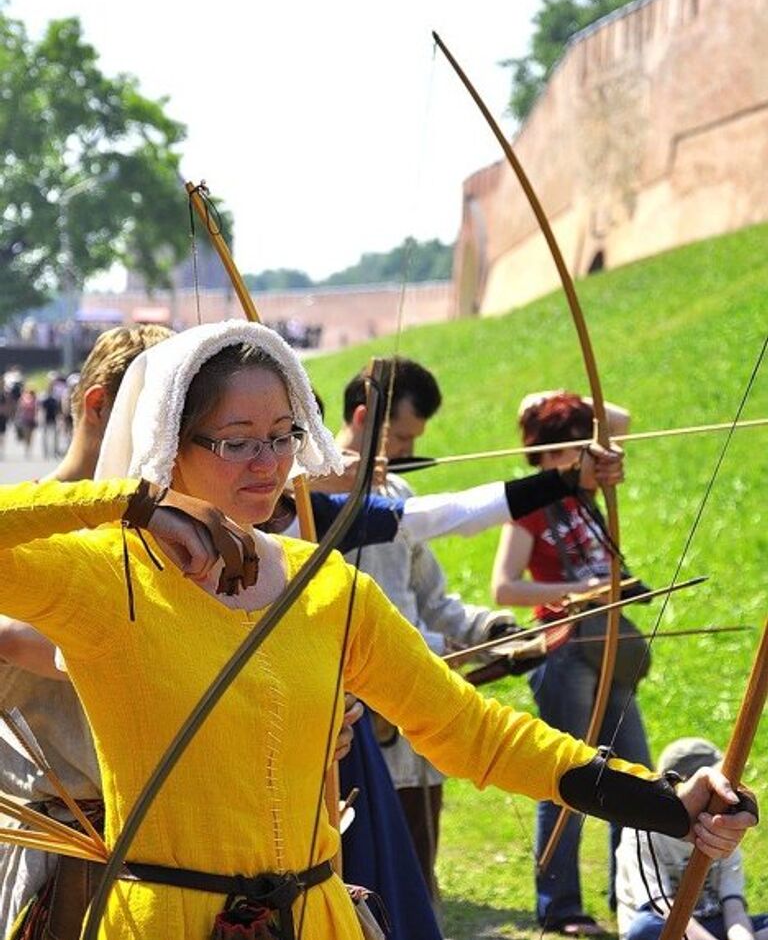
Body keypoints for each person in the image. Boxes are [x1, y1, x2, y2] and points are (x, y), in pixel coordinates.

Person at [0, 321, 754, 940]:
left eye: (282, 434)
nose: (268, 464)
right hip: (163, 923)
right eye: (235, 441)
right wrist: (131, 504)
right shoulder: (107, 574)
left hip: (318, 919)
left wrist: (664, 800)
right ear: (171, 444)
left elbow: (468, 729)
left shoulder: (325, 583)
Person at [330, 361, 618, 905]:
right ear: (365, 418)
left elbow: (433, 598)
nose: (406, 447)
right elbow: (345, 630)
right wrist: (444, 650)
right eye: (400, 435)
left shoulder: (397, 489)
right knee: (370, 884)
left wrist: (493, 628)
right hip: (358, 729)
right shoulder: (304, 509)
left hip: (416, 728)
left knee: (420, 873)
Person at [0, 325, 174, 935]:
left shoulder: (182, 537)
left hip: (177, 847)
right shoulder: (21, 527)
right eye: (158, 416)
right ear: (100, 405)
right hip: (66, 849)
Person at [490, 390, 649, 936]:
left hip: (608, 646)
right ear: (557, 451)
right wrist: (582, 588)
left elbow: (621, 416)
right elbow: (504, 586)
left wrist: (564, 399)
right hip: (564, 650)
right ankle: (560, 908)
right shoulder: (533, 502)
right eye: (580, 445)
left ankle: (634, 892)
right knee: (570, 775)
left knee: (637, 772)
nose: (597, 454)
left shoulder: (588, 485)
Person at [615, 737, 767, 940]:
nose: (722, 791)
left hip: (711, 923)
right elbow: (660, 905)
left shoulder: (721, 826)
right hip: (662, 924)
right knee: (643, 929)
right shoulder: (642, 831)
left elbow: (734, 907)